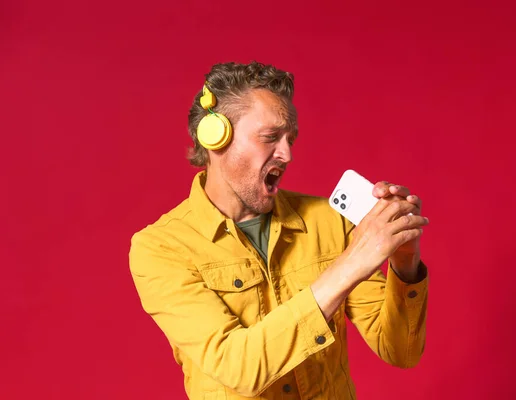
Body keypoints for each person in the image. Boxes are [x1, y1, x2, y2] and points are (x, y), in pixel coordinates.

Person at [129, 61, 429, 400]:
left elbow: (401, 352)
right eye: (270, 137)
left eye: (290, 139)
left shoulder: (330, 221)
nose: (286, 154)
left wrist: (405, 260)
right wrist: (351, 263)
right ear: (214, 138)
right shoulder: (159, 248)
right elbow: (238, 367)